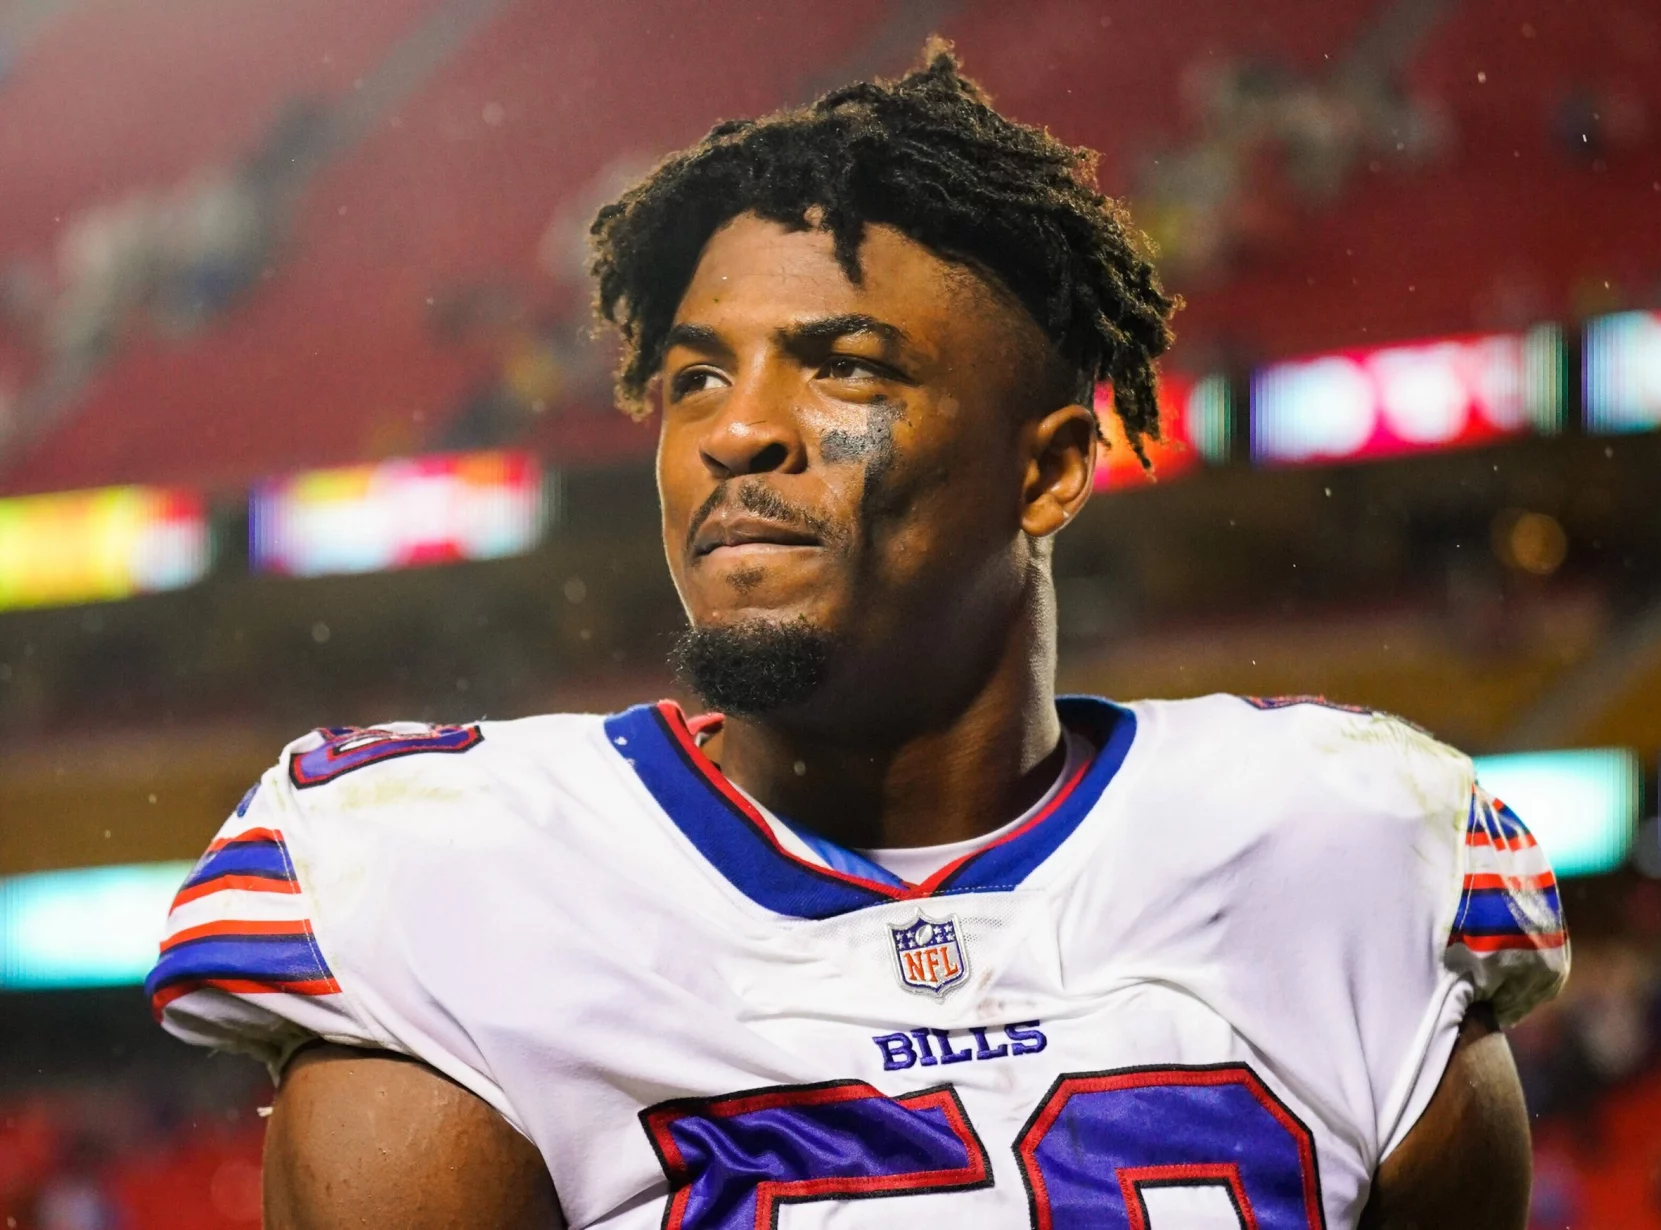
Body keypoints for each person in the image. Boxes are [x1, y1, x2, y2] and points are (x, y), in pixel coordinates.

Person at [149, 47, 1568, 1229]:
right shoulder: (453, 895)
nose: (738, 430)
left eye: (845, 368)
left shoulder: (1342, 857)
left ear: (1050, 470)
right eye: (697, 376)